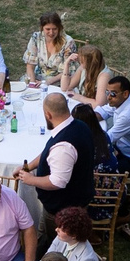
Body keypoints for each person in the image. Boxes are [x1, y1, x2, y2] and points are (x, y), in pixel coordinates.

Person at [11, 90, 106, 218]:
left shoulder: (63, 146)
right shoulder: (80, 125)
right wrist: (28, 167)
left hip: (64, 211)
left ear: (48, 115)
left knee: (57, 237)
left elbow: (57, 182)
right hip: (74, 199)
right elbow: (49, 153)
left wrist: (31, 179)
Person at [19, 203, 101, 261]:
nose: (56, 230)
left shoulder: (87, 260)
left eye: (61, 229)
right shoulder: (61, 239)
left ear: (74, 235)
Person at [22, 12, 80, 86]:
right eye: (48, 29)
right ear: (42, 28)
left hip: (60, 81)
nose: (51, 33)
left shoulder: (68, 42)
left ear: (59, 28)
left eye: (54, 29)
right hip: (38, 77)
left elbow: (68, 71)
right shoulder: (36, 38)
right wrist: (32, 83)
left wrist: (46, 83)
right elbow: (30, 65)